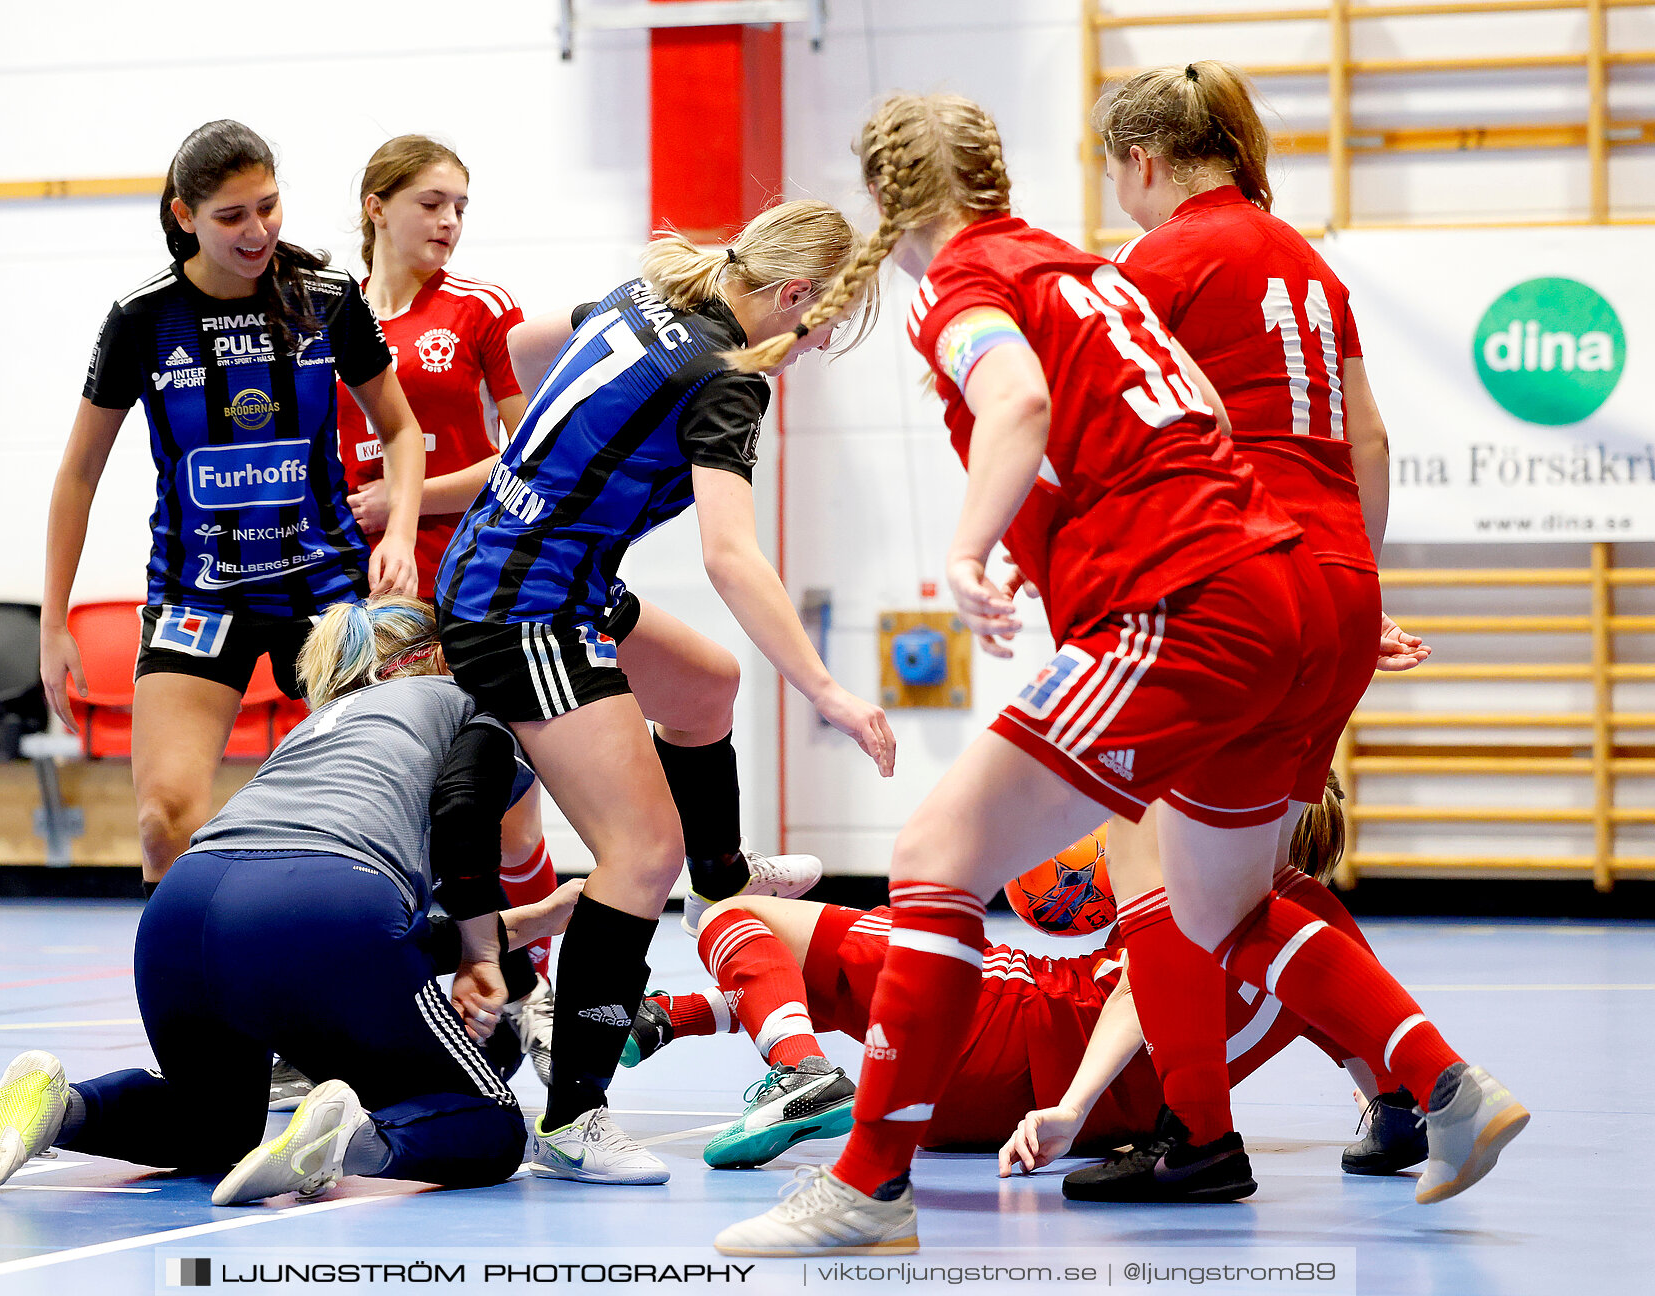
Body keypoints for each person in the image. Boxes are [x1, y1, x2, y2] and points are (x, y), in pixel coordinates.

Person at [714, 94, 1524, 1257]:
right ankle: (1442, 1088)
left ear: (891, 202)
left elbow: (1019, 403)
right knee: (1216, 908)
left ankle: (868, 1188)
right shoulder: (1088, 266)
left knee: (935, 856)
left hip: (1188, 604)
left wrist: (964, 550)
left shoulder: (972, 285)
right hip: (1297, 588)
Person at [435, 199, 897, 1185]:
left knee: (706, 687)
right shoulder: (729, 378)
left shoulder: (656, 286)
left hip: (539, 568)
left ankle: (723, 877)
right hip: (525, 607)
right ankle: (575, 1115)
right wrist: (829, 692)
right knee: (641, 853)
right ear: (792, 297)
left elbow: (521, 350)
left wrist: (554, 463)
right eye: (813, 334)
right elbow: (732, 557)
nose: (805, 354)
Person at [1048, 60, 1444, 1204]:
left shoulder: (1155, 262)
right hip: (1332, 581)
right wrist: (1350, 594)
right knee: (1244, 882)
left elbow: (1119, 451)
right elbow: (1368, 444)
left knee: (1164, 880)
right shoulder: (1310, 264)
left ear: (1141, 161)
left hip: (1229, 589)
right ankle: (1401, 1076)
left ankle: (1202, 1134)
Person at [0, 596, 571, 1203]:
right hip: (326, 903)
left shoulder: (319, 727)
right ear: (437, 654)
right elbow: (460, 820)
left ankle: (62, 1108)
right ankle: (351, 1139)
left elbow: (371, 934)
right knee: (488, 1122)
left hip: (181, 909)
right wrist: (484, 955)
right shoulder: (469, 706)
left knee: (212, 1125)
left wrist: (530, 922)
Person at [622, 787, 1424, 1177]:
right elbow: (1376, 1087)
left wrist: (1070, 1107)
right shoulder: (1319, 954)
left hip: (1016, 1018)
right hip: (1011, 1116)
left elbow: (1135, 993)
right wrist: (1385, 1112)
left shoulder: (1214, 892)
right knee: (835, 977)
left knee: (736, 913)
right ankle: (675, 1016)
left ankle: (792, 1064)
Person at [39, 120, 425, 892]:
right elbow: (78, 472)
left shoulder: (325, 298)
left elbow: (402, 430)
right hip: (197, 596)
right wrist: (53, 622)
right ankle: (187, 998)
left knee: (381, 804)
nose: (258, 231)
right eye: (231, 217)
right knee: (163, 822)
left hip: (326, 591)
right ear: (184, 216)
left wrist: (403, 536)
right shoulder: (143, 320)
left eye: (269, 207)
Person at [332, 133, 559, 1089]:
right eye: (431, 203)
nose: (451, 223)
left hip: (467, 584)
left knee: (501, 802)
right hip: (363, 601)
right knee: (390, 808)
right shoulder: (328, 315)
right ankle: (401, 1004)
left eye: (461, 205)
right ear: (376, 205)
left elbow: (525, 449)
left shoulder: (479, 311)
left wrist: (408, 501)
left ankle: (535, 986)